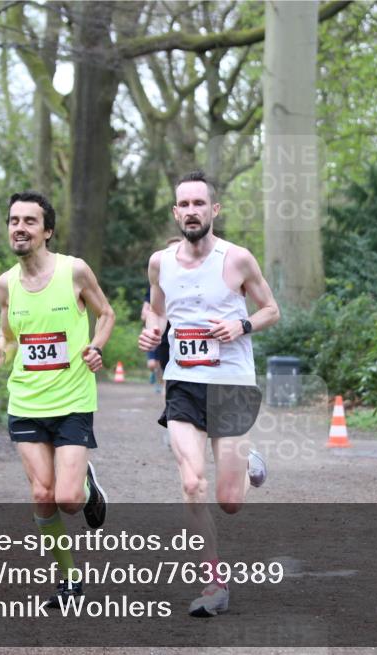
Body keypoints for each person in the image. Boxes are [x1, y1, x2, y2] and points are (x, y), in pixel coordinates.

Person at [138, 170, 280, 617]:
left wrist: (242, 324)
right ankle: (213, 584)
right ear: (175, 212)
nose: (191, 211)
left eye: (199, 203)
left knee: (229, 501)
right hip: (183, 383)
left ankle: (248, 461)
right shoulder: (160, 263)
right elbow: (157, 311)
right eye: (184, 204)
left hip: (231, 384)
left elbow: (271, 310)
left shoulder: (237, 259)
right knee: (191, 483)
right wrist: (152, 331)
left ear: (213, 210)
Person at [0, 190, 115, 608]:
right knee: (43, 494)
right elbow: (9, 340)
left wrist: (95, 346)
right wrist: (1, 352)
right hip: (26, 403)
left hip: (73, 400)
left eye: (30, 221)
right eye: (14, 221)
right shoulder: (6, 284)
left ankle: (89, 488)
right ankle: (69, 579)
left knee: (68, 500)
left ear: (47, 231)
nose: (19, 228)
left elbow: (106, 314)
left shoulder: (74, 271)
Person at [141, 237, 182, 394]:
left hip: (187, 334)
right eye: (170, 250)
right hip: (164, 331)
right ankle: (162, 383)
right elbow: (149, 310)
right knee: (157, 364)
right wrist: (151, 321)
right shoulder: (158, 278)